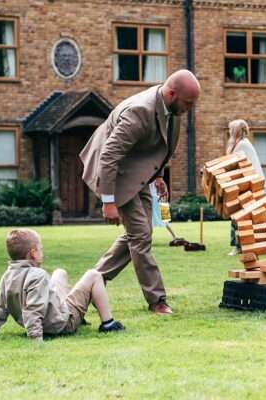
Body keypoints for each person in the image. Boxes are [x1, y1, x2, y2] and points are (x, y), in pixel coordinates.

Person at [79, 69, 201, 316]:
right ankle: (157, 300)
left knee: (138, 234)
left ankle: (89, 286)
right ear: (171, 93)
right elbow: (109, 155)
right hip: (115, 174)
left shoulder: (173, 109)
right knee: (140, 237)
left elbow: (159, 146)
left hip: (137, 174)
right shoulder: (140, 111)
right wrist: (108, 201)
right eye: (188, 102)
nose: (190, 108)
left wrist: (158, 177)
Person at [0, 228, 124, 341]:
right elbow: (33, 310)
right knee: (94, 275)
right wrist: (35, 337)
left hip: (52, 316)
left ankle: (82, 316)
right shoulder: (38, 276)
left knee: (59, 273)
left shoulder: (7, 276)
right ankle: (108, 324)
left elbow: (0, 307)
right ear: (33, 253)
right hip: (62, 324)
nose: (42, 252)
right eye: (41, 249)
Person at [225, 119, 266, 256]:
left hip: (249, 186)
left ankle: (239, 246)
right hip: (247, 185)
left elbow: (232, 165)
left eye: (231, 130)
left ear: (236, 131)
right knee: (241, 216)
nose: (229, 132)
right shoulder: (242, 144)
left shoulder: (242, 145)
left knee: (239, 215)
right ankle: (243, 245)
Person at [149, 180, 188, 246]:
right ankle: (174, 236)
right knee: (152, 220)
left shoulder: (157, 180)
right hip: (157, 199)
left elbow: (163, 191)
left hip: (156, 200)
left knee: (154, 220)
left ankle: (174, 237)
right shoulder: (156, 180)